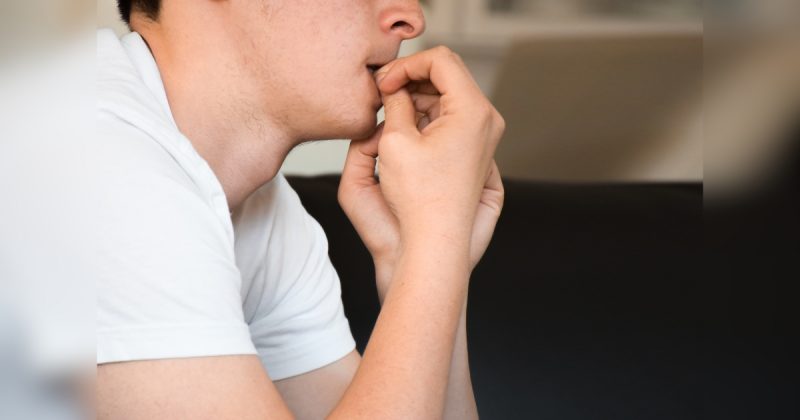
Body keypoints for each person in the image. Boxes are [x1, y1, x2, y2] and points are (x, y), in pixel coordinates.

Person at [96, 0, 505, 418]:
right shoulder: (96, 161)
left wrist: (423, 255)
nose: (411, 19)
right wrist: (437, 238)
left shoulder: (263, 210)